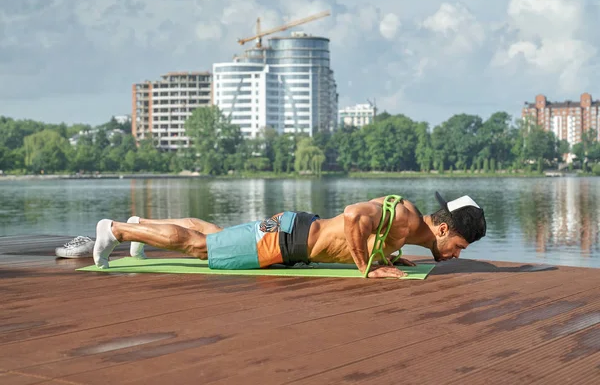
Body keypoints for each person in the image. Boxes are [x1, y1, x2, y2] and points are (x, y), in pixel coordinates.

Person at [91, 191, 486, 279]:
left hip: (292, 231)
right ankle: (116, 231)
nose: (456, 254)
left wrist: (385, 258)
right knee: (203, 248)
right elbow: (352, 216)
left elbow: (369, 233)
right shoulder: (405, 216)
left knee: (220, 234)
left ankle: (141, 226)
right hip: (285, 240)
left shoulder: (409, 230)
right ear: (444, 229)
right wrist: (368, 269)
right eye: (459, 247)